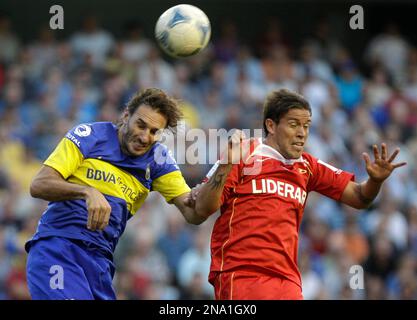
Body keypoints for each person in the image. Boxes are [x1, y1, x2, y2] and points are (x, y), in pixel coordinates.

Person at [192, 88, 406, 300]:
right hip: (242, 274)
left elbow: (360, 198)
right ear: (271, 125)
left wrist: (375, 181)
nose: (302, 132)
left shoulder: (308, 165)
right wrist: (226, 164)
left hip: (288, 281)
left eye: (306, 126)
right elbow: (202, 208)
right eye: (294, 124)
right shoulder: (242, 153)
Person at [26, 88, 205, 300]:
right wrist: (87, 191)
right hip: (59, 248)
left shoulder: (158, 160)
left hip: (100, 262)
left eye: (154, 131)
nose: (145, 136)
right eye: (141, 125)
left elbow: (194, 213)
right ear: (126, 116)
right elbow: (39, 184)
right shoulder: (90, 136)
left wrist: (223, 168)